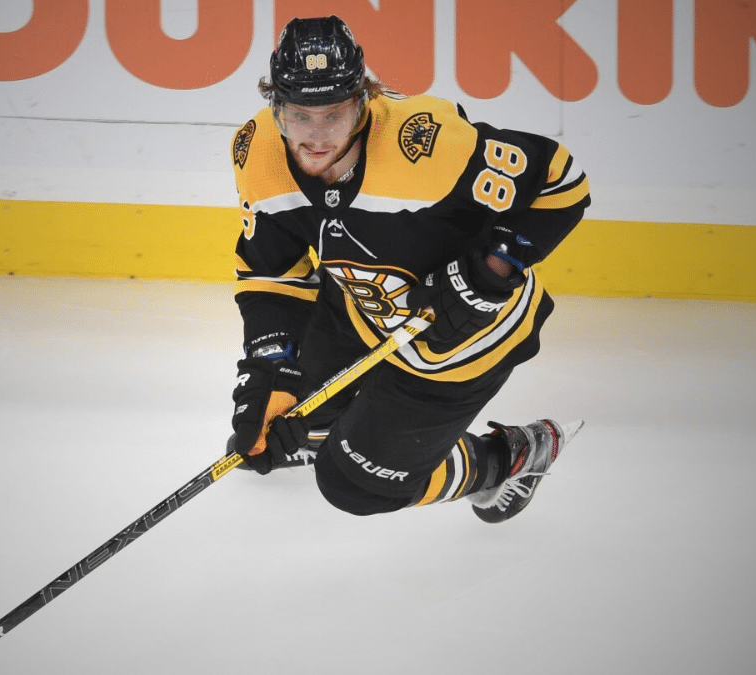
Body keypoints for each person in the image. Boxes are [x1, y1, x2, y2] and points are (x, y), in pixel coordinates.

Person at [227, 16, 587, 523]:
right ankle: (329, 432)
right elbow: (272, 275)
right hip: (359, 309)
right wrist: (270, 370)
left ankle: (505, 459)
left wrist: (489, 272)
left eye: (333, 115)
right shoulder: (258, 152)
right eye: (298, 117)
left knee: (350, 484)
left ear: (362, 101)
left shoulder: (426, 145)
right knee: (288, 418)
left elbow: (562, 180)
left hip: (458, 342)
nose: (315, 138)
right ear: (276, 107)